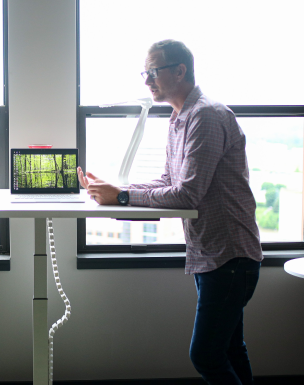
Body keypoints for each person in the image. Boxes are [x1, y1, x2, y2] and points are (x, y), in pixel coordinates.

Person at [78, 40, 263, 385]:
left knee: (206, 354)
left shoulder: (206, 116)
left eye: (153, 71)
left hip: (230, 256)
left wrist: (121, 198)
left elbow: (187, 194)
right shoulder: (180, 118)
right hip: (213, 253)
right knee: (230, 348)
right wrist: (118, 190)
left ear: (180, 71)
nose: (147, 80)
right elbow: (168, 180)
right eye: (144, 73)